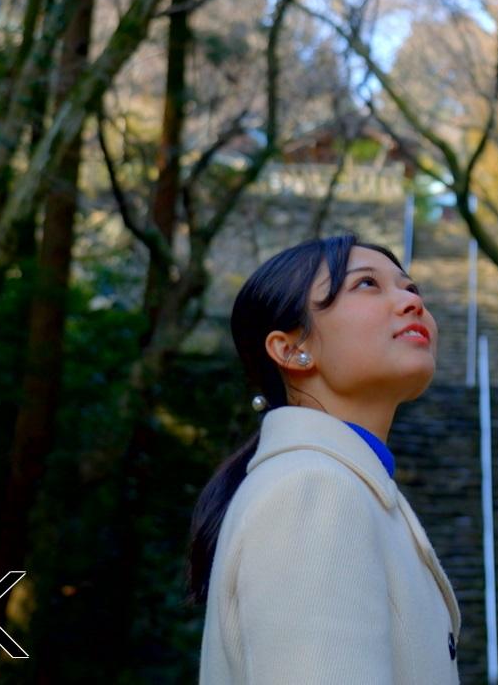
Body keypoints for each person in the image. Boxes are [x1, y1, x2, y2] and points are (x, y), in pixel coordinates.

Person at [189, 234, 460, 683]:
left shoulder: (340, 484)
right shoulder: (312, 489)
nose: (412, 302)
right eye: (367, 285)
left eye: (411, 288)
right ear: (292, 349)